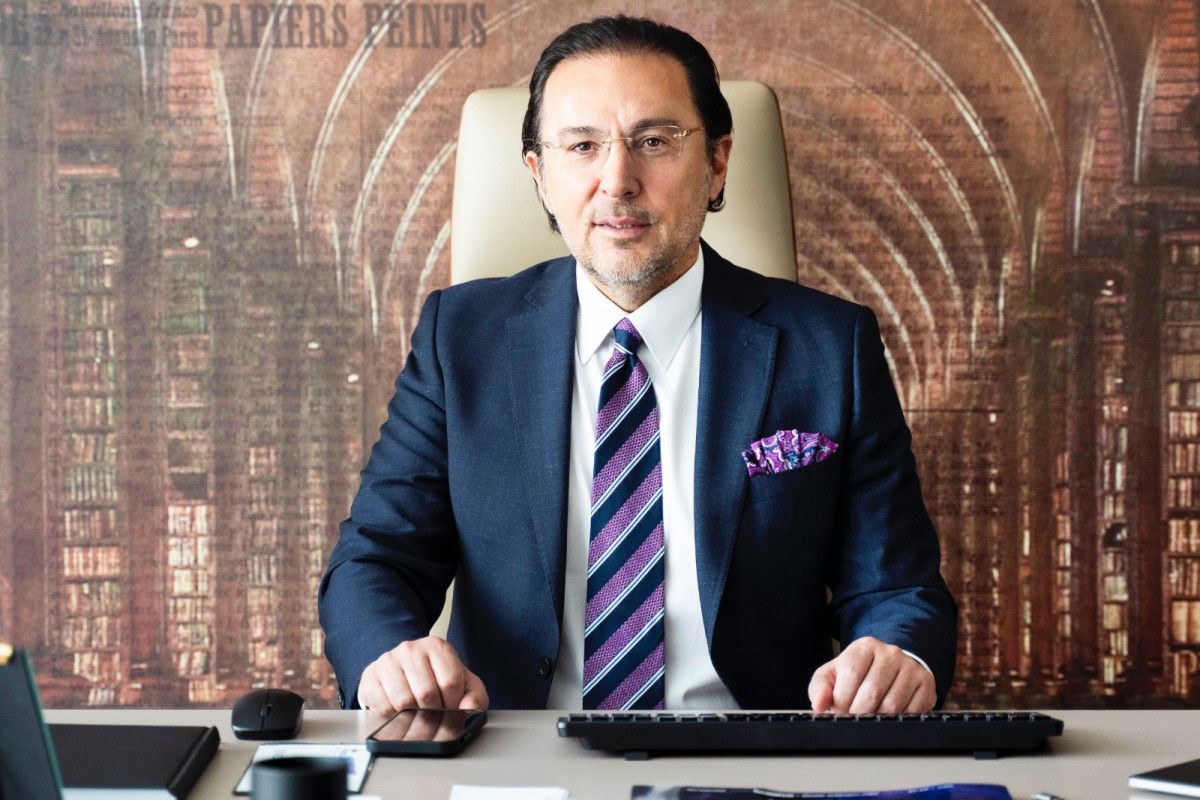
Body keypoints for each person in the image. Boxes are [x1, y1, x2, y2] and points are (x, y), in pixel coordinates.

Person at [318, 15, 957, 715]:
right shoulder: (460, 340)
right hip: (514, 745)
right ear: (539, 175)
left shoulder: (830, 346)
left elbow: (898, 589)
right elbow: (376, 560)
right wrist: (388, 655)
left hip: (753, 748)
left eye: (654, 141)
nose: (617, 181)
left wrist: (898, 655)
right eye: (582, 146)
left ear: (717, 162)